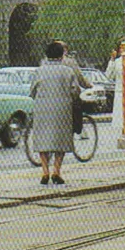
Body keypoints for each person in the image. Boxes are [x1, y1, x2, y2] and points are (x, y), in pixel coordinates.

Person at [30, 41, 79, 185]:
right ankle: (56, 170)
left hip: (42, 108)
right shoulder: (67, 71)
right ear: (61, 55)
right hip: (62, 109)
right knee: (61, 140)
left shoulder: (39, 71)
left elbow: (32, 91)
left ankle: (45, 171)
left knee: (42, 139)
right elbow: (75, 90)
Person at [105, 41, 125, 160]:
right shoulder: (117, 62)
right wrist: (111, 60)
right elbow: (108, 76)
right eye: (121, 48)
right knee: (124, 123)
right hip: (120, 93)